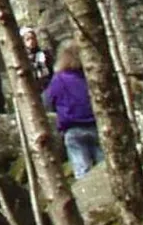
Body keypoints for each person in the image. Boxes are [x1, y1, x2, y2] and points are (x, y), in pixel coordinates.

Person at [43, 40, 103, 178]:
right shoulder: (89, 76)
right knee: (103, 165)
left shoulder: (59, 79)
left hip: (73, 129)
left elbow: (49, 100)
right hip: (95, 124)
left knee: (82, 170)